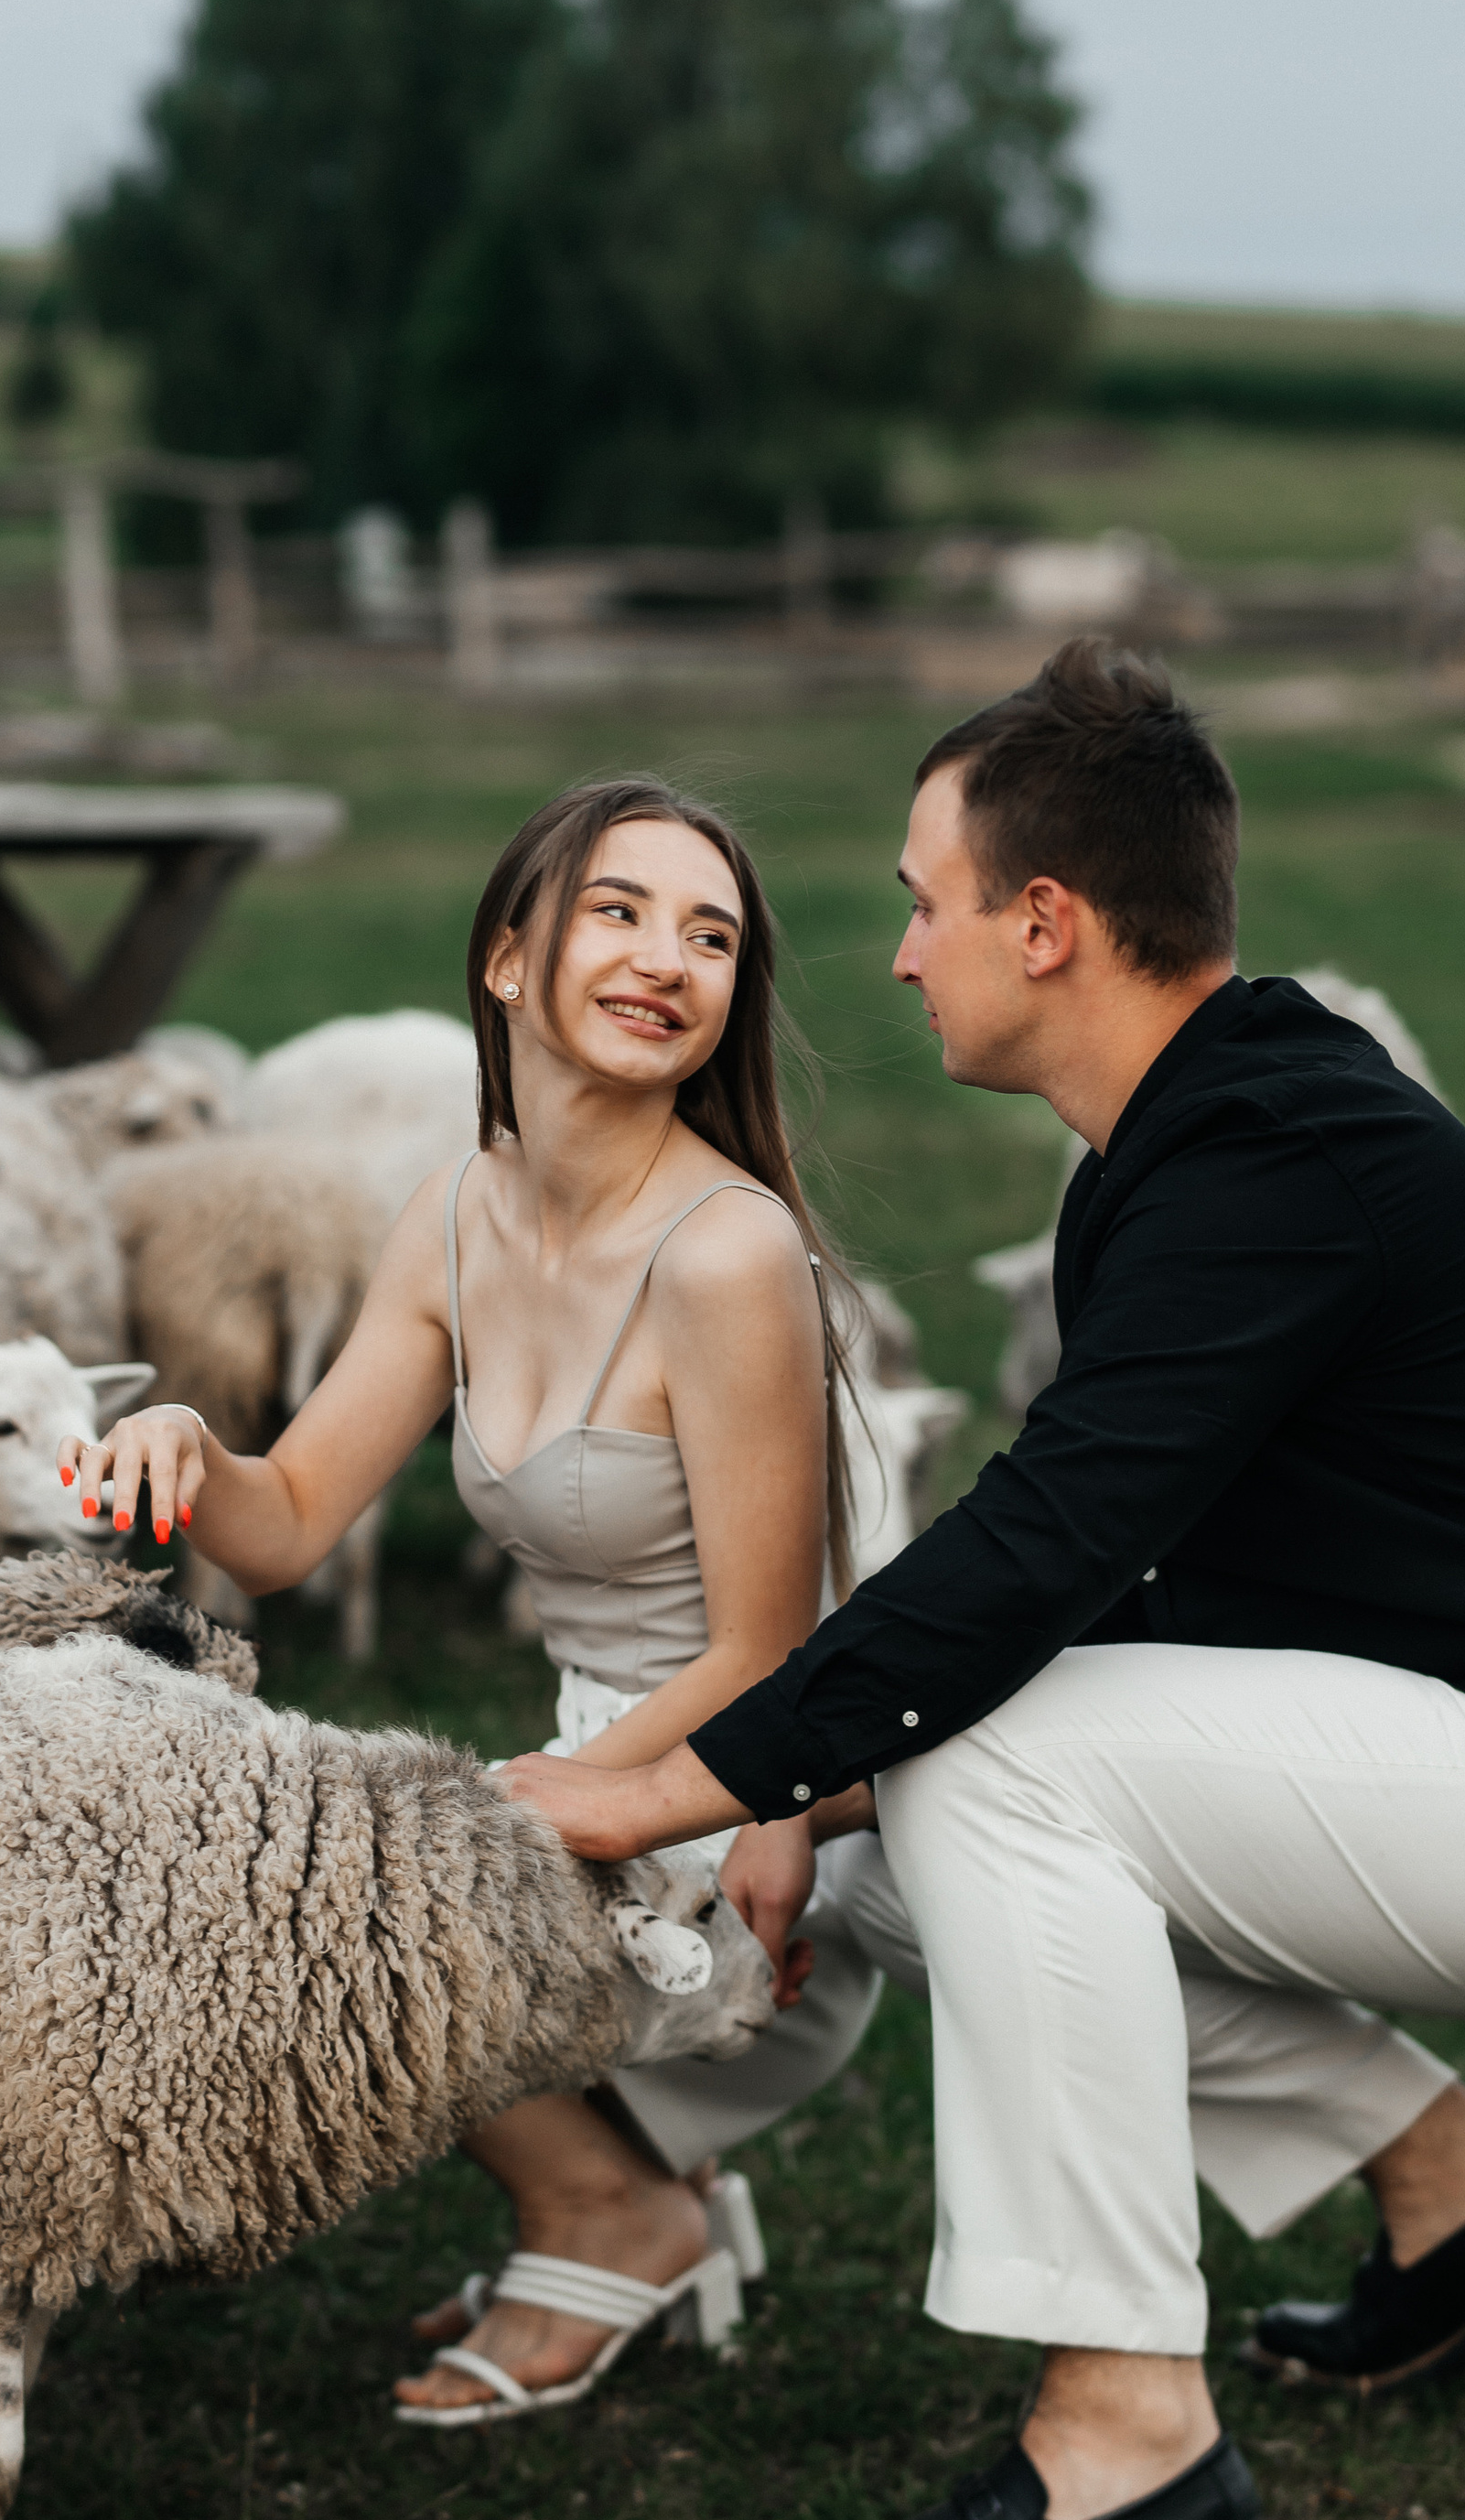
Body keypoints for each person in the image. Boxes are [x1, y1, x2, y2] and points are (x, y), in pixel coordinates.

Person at [502, 639, 1465, 2520]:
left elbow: (1033, 1566)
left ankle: (1125, 2440)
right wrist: (799, 1789)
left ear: (1043, 919)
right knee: (895, 1848)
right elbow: (1117, 1580)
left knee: (989, 1762)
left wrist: (655, 1783)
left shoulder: (1272, 1161)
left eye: (921, 904)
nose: (901, 957)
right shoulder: (1176, 1156)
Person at [59, 775, 905, 2421]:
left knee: (368, 1880)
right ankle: (639, 2193)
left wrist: (525, 1813)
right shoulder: (455, 1212)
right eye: (620, 911)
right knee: (351, 1841)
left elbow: (766, 1650)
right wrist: (178, 1435)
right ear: (511, 961)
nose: (669, 956)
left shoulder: (725, 1255)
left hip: (746, 1789)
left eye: (711, 934)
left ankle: (615, 2211)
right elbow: (292, 1518)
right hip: (601, 1758)